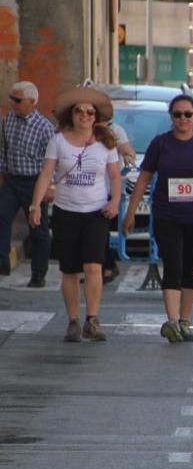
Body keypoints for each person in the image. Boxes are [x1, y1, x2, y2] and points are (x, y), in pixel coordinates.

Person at [123, 94, 193, 344]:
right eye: (177, 114)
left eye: (187, 114)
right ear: (171, 117)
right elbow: (144, 178)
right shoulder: (160, 144)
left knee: (190, 269)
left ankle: (185, 321)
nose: (183, 119)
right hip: (167, 216)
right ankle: (171, 321)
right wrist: (131, 211)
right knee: (173, 265)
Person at [28, 86, 120, 341]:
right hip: (65, 211)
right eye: (80, 111)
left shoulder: (106, 143)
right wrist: (36, 205)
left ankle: (92, 319)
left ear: (96, 116)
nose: (85, 115)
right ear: (72, 114)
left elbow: (114, 175)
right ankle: (73, 320)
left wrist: (115, 201)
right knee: (69, 270)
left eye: (90, 112)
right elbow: (47, 174)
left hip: (95, 212)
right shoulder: (58, 141)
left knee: (93, 267)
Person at [0, 81, 56, 285]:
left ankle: (38, 274)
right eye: (12, 99)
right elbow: (4, 150)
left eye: (18, 100)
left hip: (35, 182)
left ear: (32, 102)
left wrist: (50, 186)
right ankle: (2, 260)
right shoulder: (8, 121)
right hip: (12, 180)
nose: (13, 104)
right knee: (2, 215)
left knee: (37, 228)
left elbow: (52, 161)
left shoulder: (45, 128)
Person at [102, 119, 136, 283]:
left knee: (100, 231)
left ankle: (107, 266)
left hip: (107, 189)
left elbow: (128, 151)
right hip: (84, 190)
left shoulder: (114, 130)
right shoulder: (78, 130)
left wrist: (128, 157)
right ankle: (103, 266)